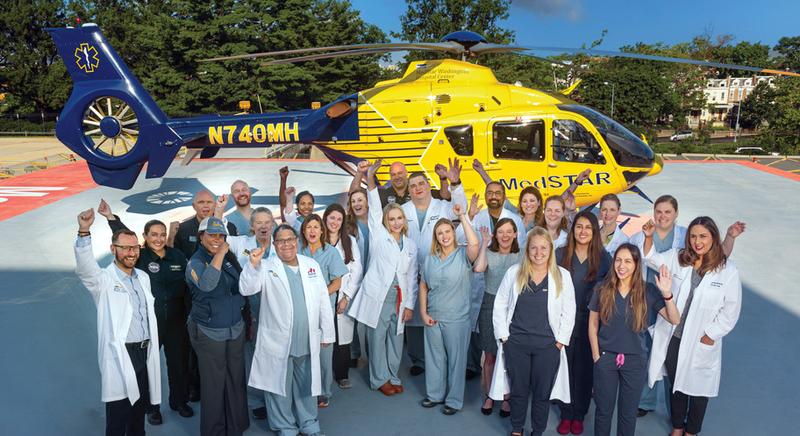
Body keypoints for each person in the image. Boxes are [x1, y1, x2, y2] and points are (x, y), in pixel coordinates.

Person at [642, 217, 743, 436]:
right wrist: (649, 237)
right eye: (694, 236)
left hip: (701, 340)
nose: (698, 242)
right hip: (674, 336)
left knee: (699, 389)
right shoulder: (679, 258)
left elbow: (731, 309)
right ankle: (678, 427)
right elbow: (651, 258)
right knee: (676, 384)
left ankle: (691, 431)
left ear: (713, 238)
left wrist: (711, 334)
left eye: (703, 236)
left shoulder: (727, 270)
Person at [98, 200, 193, 425]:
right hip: (151, 323)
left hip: (177, 321)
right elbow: (123, 237)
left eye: (162, 234)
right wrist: (111, 217)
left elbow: (189, 286)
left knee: (178, 362)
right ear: (146, 237)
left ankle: (179, 401)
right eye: (154, 235)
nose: (159, 239)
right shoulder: (139, 256)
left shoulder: (177, 256)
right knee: (150, 365)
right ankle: (152, 407)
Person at [239, 224, 335, 436]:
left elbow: (322, 300)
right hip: (278, 341)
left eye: (290, 239)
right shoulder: (265, 267)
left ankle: (309, 424)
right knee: (278, 387)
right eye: (281, 241)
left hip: (307, 338)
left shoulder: (311, 265)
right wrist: (252, 265)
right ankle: (285, 427)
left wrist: (327, 332)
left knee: (306, 385)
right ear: (275, 244)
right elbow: (247, 288)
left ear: (297, 240)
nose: (287, 244)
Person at [73, 207, 162, 436]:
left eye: (135, 247)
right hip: (122, 354)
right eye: (125, 248)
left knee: (138, 413)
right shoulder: (103, 280)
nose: (131, 253)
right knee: (118, 415)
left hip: (145, 351)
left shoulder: (143, 277)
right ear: (113, 249)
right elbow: (85, 270)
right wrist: (84, 231)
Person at [588, 243, 680, 436]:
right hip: (606, 358)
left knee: (628, 414)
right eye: (618, 260)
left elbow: (674, 319)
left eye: (628, 261)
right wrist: (597, 355)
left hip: (634, 361)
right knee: (603, 411)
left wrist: (667, 294)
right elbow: (593, 324)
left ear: (637, 265)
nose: (622, 266)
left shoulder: (648, 291)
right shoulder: (602, 289)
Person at [491, 226, 576, 436]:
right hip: (516, 344)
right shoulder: (514, 273)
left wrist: (560, 342)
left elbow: (569, 310)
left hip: (548, 346)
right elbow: (500, 303)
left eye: (543, 248)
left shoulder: (562, 276)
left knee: (542, 393)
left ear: (551, 249)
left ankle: (538, 431)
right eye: (534, 248)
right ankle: (517, 429)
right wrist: (504, 336)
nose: (539, 253)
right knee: (518, 391)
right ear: (527, 250)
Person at [348, 160, 418, 396]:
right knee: (377, 340)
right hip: (380, 295)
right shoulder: (378, 234)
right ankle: (379, 379)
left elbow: (411, 277)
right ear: (385, 221)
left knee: (396, 339)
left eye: (400, 219)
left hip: (399, 297)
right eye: (392, 219)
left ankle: (393, 374)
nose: (396, 222)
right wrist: (370, 176)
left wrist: (409, 304)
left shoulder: (410, 245)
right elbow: (375, 204)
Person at [170, 190, 238, 402]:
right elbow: (175, 258)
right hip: (194, 295)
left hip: (221, 300)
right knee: (193, 347)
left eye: (209, 201)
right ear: (194, 205)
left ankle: (219, 390)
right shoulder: (183, 229)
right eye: (201, 202)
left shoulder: (229, 228)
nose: (206, 205)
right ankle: (193, 387)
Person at [401, 158, 467, 376]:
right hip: (410, 271)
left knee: (436, 314)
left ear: (429, 186)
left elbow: (461, 210)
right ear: (408, 191)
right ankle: (418, 359)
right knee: (413, 316)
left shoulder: (443, 207)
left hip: (439, 270)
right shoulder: (403, 210)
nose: (418, 188)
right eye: (413, 186)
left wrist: (455, 184)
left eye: (421, 184)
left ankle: (441, 359)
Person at [185, 217, 249, 436]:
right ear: (201, 236)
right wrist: (220, 253)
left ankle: (235, 427)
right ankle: (213, 431)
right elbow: (207, 284)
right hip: (209, 331)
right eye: (211, 235)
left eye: (220, 235)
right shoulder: (195, 262)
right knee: (214, 384)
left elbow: (241, 285)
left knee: (235, 379)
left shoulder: (230, 259)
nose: (216, 239)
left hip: (234, 328)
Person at [215, 201, 277, 420]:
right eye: (258, 223)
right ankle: (258, 399)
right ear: (251, 226)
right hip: (251, 309)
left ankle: (276, 397)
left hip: (277, 308)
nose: (263, 226)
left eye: (267, 222)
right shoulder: (242, 243)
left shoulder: (282, 245)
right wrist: (219, 211)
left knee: (275, 352)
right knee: (253, 354)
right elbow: (220, 234)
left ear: (273, 224)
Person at [418, 204, 481, 415]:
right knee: (435, 358)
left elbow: (474, 242)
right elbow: (423, 286)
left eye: (447, 232)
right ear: (436, 237)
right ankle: (434, 395)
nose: (444, 236)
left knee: (456, 361)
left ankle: (453, 401)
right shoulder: (430, 259)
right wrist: (424, 313)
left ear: (453, 234)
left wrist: (462, 215)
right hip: (433, 317)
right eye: (440, 233)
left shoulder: (464, 255)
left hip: (457, 319)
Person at [555, 210, 612, 435]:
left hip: (590, 324)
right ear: (572, 230)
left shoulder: (604, 258)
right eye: (579, 226)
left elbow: (609, 294)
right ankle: (566, 413)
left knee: (584, 370)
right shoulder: (560, 255)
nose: (583, 231)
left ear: (595, 231)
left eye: (588, 227)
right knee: (564, 369)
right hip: (563, 322)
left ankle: (579, 414)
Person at [298, 214, 349, 408]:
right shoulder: (299, 251)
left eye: (316, 227)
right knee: (304, 351)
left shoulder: (330, 252)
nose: (312, 231)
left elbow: (337, 282)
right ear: (303, 231)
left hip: (324, 308)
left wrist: (318, 296)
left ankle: (324, 392)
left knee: (324, 351)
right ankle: (306, 388)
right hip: (303, 308)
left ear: (322, 230)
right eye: (308, 227)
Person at [473, 220, 521, 417]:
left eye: (509, 231)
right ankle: (490, 395)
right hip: (490, 305)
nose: (505, 235)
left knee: (509, 355)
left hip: (514, 306)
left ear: (516, 234)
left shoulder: (521, 255)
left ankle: (507, 397)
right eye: (501, 232)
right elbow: (478, 268)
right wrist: (484, 243)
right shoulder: (490, 253)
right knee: (491, 355)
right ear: (496, 234)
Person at [323, 203, 364, 390]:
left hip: (342, 293)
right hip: (323, 293)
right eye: (332, 217)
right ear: (325, 218)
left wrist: (346, 296)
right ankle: (322, 375)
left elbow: (356, 270)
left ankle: (341, 374)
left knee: (342, 338)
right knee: (323, 334)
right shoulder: (318, 239)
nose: (335, 222)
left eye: (339, 219)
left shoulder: (350, 241)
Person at [279, 166, 315, 232]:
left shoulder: (319, 223)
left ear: (313, 206)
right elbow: (283, 206)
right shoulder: (294, 223)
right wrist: (283, 180)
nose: (306, 207)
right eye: (302, 204)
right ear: (297, 206)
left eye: (310, 203)